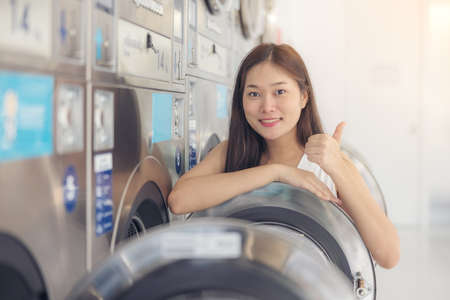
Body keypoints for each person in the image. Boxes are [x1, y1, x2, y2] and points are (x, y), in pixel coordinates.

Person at [168, 43, 400, 269]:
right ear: (242, 99)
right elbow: (178, 201)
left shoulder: (330, 163)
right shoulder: (231, 152)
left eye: (280, 91)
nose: (267, 106)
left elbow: (388, 255)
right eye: (254, 93)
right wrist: (276, 173)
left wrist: (337, 167)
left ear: (303, 97)